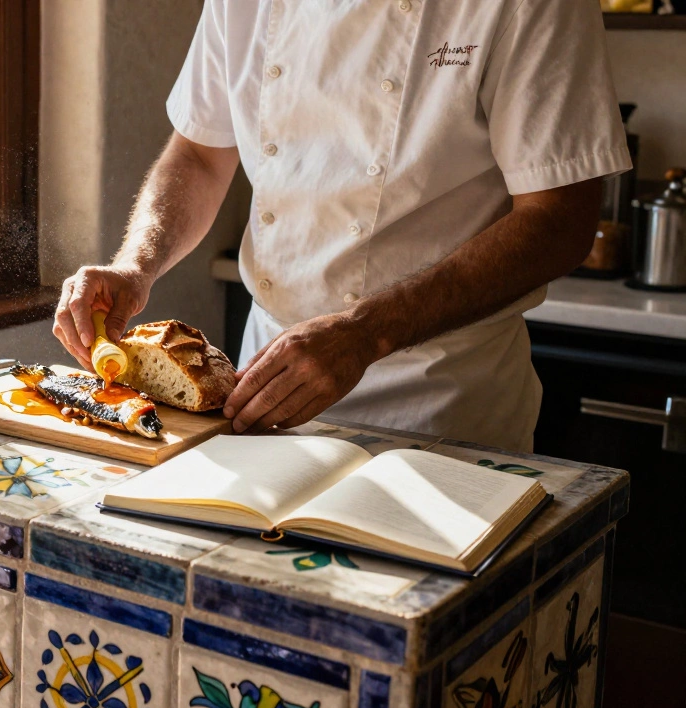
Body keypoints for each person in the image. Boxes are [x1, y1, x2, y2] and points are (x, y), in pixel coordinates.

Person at [52, 0, 630, 452]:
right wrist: (136, 263)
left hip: (441, 407)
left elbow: (560, 218)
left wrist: (363, 332)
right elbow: (200, 156)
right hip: (264, 389)